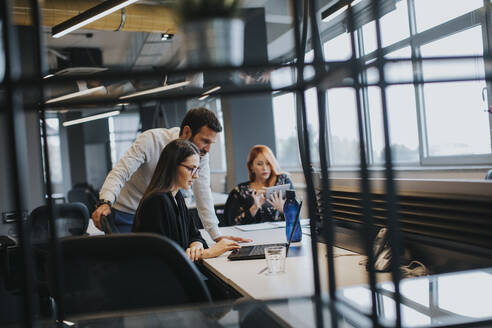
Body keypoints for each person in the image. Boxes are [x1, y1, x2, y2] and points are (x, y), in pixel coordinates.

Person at [92, 107, 249, 243]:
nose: (207, 149)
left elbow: (203, 192)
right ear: (187, 131)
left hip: (159, 216)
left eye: (211, 144)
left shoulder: (200, 154)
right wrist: (105, 202)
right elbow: (121, 172)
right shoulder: (151, 140)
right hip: (127, 212)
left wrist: (216, 235)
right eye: (205, 141)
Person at [133, 139, 240, 261]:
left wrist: (196, 245)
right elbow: (162, 258)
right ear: (172, 166)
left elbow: (194, 234)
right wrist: (208, 253)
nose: (195, 176)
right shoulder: (156, 202)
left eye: (197, 169)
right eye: (190, 169)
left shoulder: (177, 197)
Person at [225, 145, 294, 225]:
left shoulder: (283, 180)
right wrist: (254, 207)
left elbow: (296, 217)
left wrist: (283, 209)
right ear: (251, 167)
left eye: (268, 163)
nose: (265, 168)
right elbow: (232, 223)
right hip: (251, 236)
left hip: (281, 234)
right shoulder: (240, 191)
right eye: (259, 164)